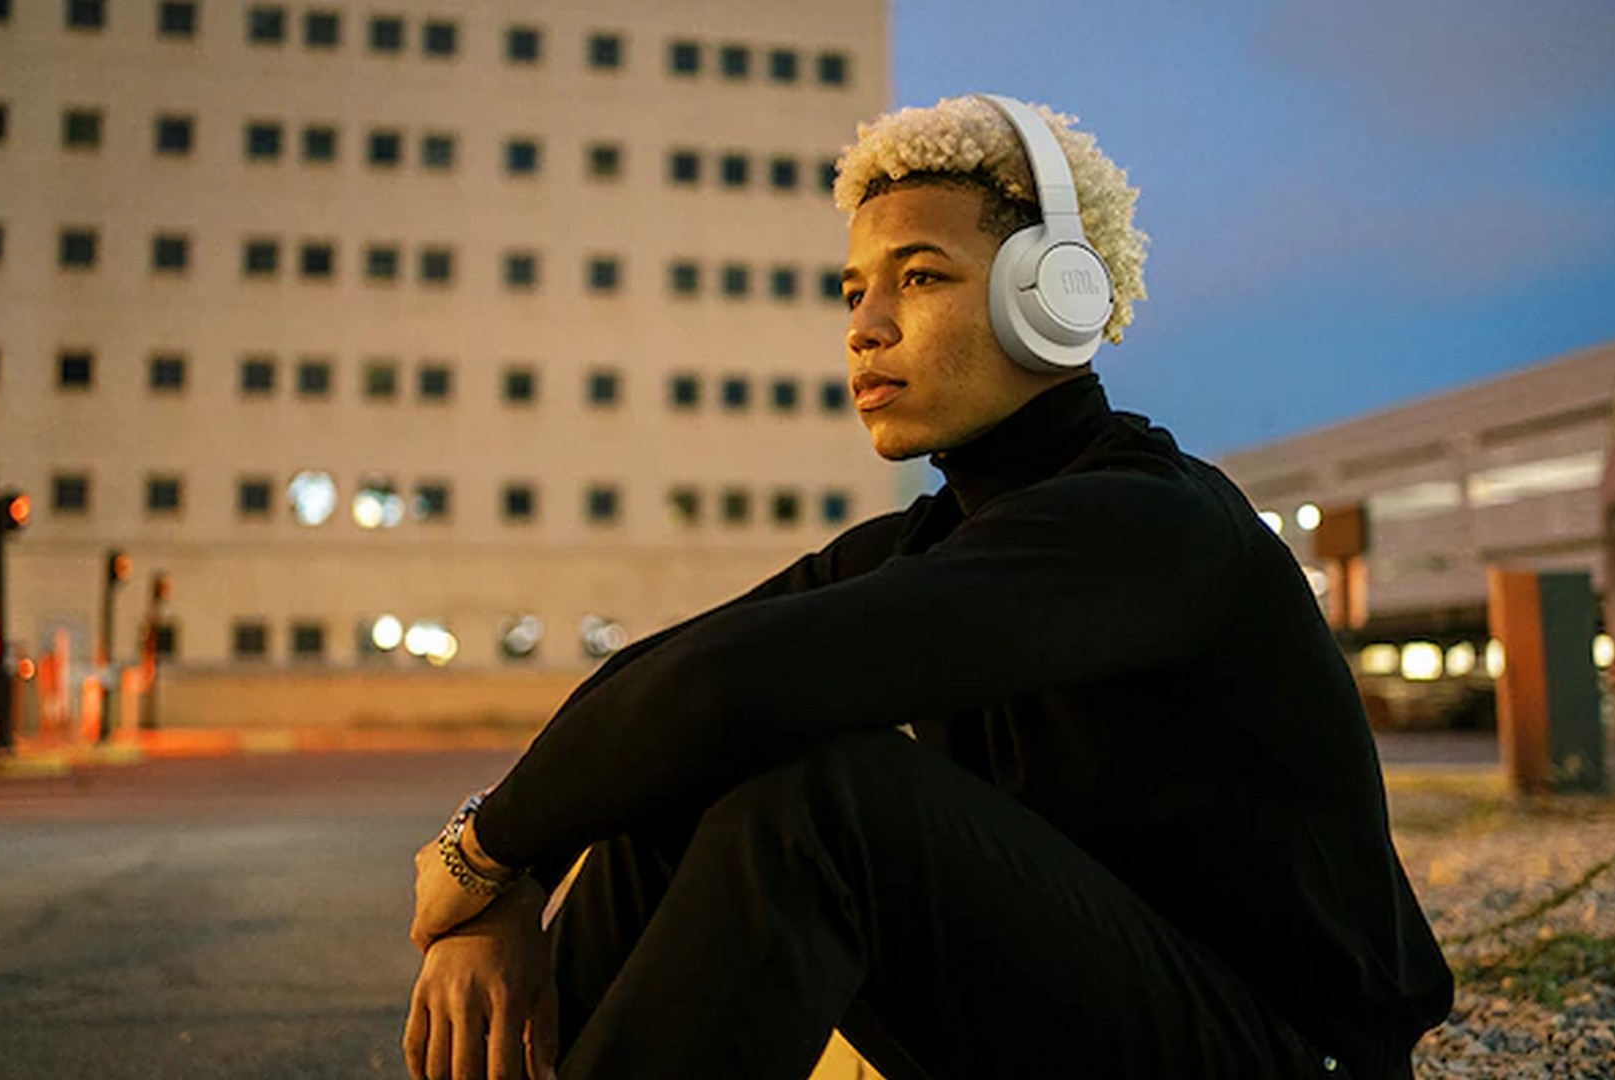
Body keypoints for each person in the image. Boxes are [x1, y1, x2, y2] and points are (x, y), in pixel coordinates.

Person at [402, 94, 1452, 1080]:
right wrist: (505, 887)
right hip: (1098, 1015)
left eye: (918, 278)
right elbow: (669, 671)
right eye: (853, 291)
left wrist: (482, 854)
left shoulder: (1149, 522)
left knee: (823, 799)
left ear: (1051, 297)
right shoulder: (934, 537)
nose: (863, 326)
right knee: (687, 771)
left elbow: (734, 679)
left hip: (1280, 1054)